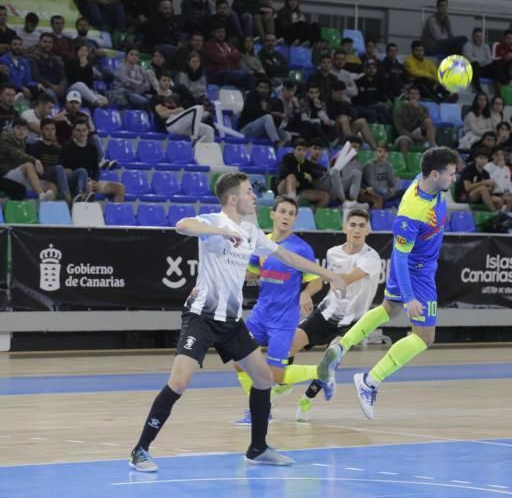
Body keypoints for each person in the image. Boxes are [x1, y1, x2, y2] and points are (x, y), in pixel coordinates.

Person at [128, 171, 345, 472]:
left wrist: (330, 275)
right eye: (248, 192)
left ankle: (257, 448)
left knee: (264, 378)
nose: (254, 197)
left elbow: (289, 259)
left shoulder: (252, 232)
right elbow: (182, 225)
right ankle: (140, 450)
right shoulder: (216, 222)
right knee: (179, 382)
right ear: (233, 198)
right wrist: (218, 233)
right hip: (202, 318)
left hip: (230, 322)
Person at [315, 148, 457, 419]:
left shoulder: (427, 181)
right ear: (436, 175)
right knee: (425, 337)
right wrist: (411, 297)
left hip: (419, 265)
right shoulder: (412, 213)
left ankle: (342, 346)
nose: (454, 178)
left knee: (389, 309)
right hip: (417, 272)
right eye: (450, 173)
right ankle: (370, 381)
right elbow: (400, 260)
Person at [233, 196, 343, 424]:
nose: (286, 216)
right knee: (238, 359)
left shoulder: (301, 249)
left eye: (291, 213)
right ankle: (261, 411)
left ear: (294, 219)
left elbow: (316, 281)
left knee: (276, 376)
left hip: (283, 320)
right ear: (272, 214)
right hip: (260, 314)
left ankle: (320, 372)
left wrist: (305, 293)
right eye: (282, 211)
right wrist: (231, 269)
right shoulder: (262, 243)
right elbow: (253, 273)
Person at [294, 209, 381, 421]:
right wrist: (306, 293)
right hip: (325, 313)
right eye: (353, 225)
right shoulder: (333, 252)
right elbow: (323, 280)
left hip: (352, 322)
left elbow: (348, 278)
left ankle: (307, 399)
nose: (357, 229)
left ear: (368, 230)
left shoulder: (371, 257)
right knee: (287, 347)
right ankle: (279, 387)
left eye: (362, 225)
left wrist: (326, 276)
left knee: (331, 358)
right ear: (345, 228)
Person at [28, 118, 92, 203]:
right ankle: (68, 199)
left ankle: (80, 196)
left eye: (53, 129)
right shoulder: (35, 147)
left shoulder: (58, 149)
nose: (50, 132)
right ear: (41, 130)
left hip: (60, 177)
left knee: (82, 171)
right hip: (44, 176)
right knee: (59, 168)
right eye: (47, 129)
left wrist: (67, 170)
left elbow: (64, 167)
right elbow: (34, 169)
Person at [61, 118, 126, 202]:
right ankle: (81, 204)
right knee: (87, 185)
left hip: (91, 181)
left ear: (88, 131)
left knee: (120, 188)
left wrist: (94, 181)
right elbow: (65, 169)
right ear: (73, 132)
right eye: (78, 130)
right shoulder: (67, 146)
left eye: (84, 130)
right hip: (75, 182)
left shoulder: (92, 148)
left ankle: (115, 214)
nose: (81, 133)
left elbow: (96, 169)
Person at [0, 117, 56, 201]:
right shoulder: (5, 140)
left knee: (51, 186)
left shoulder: (24, 142)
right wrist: (35, 161)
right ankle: (41, 195)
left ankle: (49, 210)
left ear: (27, 132)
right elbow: (17, 154)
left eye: (24, 129)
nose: (21, 131)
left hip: (18, 176)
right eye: (18, 128)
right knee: (28, 166)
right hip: (6, 176)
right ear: (12, 130)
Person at [152, 74, 214, 144]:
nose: (166, 83)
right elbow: (163, 114)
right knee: (197, 108)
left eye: (169, 81)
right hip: (169, 125)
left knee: (209, 130)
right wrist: (178, 110)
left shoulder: (174, 97)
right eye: (164, 80)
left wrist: (205, 113)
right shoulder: (155, 98)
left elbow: (184, 114)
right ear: (159, 82)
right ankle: (194, 139)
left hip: (181, 124)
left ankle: (200, 152)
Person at [277, 140, 331, 208]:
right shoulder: (287, 158)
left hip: (299, 191)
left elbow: (312, 177)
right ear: (294, 150)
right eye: (299, 149)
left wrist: (302, 181)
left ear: (306, 152)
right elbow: (285, 172)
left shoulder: (307, 163)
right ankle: (292, 202)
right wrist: (303, 175)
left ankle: (311, 213)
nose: (301, 152)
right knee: (291, 177)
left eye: (304, 150)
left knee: (325, 196)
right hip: (284, 187)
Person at [327, 80, 379, 150]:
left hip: (347, 132)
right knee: (343, 119)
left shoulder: (344, 104)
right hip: (334, 133)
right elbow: (328, 121)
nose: (341, 96)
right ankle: (351, 149)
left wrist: (350, 117)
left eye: (343, 94)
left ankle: (375, 149)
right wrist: (340, 118)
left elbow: (354, 115)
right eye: (339, 94)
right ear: (333, 92)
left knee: (361, 121)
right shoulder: (327, 104)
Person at [203, 22, 254, 89]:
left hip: (232, 73)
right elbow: (218, 59)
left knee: (251, 77)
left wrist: (226, 55)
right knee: (240, 74)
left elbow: (238, 56)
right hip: (216, 74)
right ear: (213, 33)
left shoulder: (229, 45)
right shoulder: (208, 45)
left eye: (223, 32)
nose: (221, 34)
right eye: (218, 32)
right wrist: (231, 56)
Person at [393, 86, 436, 154]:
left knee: (429, 122)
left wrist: (418, 110)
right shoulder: (400, 109)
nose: (413, 96)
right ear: (408, 95)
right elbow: (399, 129)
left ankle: (432, 151)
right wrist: (414, 137)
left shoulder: (423, 109)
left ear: (419, 96)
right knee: (404, 142)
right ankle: (405, 164)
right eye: (411, 94)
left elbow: (426, 125)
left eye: (416, 94)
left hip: (418, 132)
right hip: (404, 134)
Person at [239, 77, 283, 143]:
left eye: (265, 88)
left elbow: (266, 114)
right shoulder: (251, 96)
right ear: (256, 88)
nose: (263, 90)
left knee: (284, 133)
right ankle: (277, 142)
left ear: (269, 89)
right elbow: (257, 113)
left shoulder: (268, 100)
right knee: (267, 117)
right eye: (261, 87)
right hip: (246, 129)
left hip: (259, 129)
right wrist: (267, 111)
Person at [484, 147, 512, 212]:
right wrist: (499, 168)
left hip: (502, 193)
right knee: (500, 201)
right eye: (497, 154)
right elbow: (490, 181)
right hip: (491, 193)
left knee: (509, 199)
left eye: (501, 154)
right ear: (492, 156)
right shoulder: (487, 167)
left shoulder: (506, 168)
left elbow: (507, 183)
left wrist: (508, 193)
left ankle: (505, 217)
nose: (499, 156)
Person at [29, 33, 67, 101]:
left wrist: (61, 87)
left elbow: (63, 77)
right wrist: (51, 86)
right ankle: (56, 111)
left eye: (50, 42)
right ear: (39, 42)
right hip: (43, 88)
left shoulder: (57, 59)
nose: (47, 44)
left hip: (59, 87)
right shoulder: (32, 58)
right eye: (45, 42)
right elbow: (36, 77)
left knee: (76, 88)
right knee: (50, 94)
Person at [354, 59, 391, 125]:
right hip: (363, 105)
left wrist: (386, 100)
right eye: (369, 68)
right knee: (381, 107)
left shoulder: (379, 80)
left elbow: (382, 93)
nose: (371, 70)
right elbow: (363, 97)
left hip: (375, 104)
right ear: (364, 69)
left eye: (374, 68)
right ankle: (388, 126)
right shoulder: (360, 81)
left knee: (388, 108)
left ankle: (388, 128)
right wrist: (379, 101)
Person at [363, 142, 398, 208]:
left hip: (386, 193)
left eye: (385, 152)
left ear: (388, 154)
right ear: (375, 153)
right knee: (378, 195)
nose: (382, 154)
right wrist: (386, 190)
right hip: (373, 192)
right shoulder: (369, 165)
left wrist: (392, 189)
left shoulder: (389, 166)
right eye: (380, 151)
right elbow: (371, 184)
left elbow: (392, 183)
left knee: (405, 193)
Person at [462, 28, 493, 93]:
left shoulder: (485, 46)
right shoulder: (467, 46)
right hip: (472, 69)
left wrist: (480, 62)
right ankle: (479, 90)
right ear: (472, 37)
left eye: (480, 36)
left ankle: (504, 84)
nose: (479, 38)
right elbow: (470, 59)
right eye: (477, 36)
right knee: (475, 64)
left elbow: (490, 59)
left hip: (482, 69)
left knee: (495, 64)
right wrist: (483, 61)